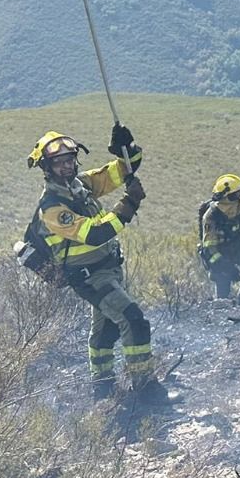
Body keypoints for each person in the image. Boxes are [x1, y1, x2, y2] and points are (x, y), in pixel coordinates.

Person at [24, 125, 164, 402]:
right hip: (89, 277)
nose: (66, 166)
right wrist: (129, 203)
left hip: (108, 269)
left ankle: (102, 388)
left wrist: (126, 149)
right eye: (58, 163)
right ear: (46, 168)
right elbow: (94, 233)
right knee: (134, 321)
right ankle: (146, 391)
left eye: (69, 160)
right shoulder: (52, 208)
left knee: (106, 331)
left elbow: (120, 171)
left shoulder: (80, 186)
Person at [198, 173, 240, 305]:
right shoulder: (211, 215)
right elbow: (209, 246)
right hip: (219, 253)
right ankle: (221, 312)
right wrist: (225, 265)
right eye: (237, 193)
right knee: (223, 282)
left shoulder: (239, 205)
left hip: (238, 246)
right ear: (228, 195)